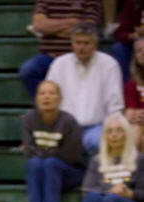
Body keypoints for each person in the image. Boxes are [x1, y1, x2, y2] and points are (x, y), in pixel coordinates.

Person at [46, 24, 124, 154]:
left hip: (98, 126)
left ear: (95, 44)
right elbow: (49, 98)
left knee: (96, 142)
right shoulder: (59, 64)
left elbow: (115, 104)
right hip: (66, 126)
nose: (81, 47)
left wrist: (113, 129)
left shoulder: (109, 65)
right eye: (78, 43)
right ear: (72, 44)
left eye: (86, 43)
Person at [22, 79, 85, 202]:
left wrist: (42, 153)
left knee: (50, 163)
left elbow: (69, 156)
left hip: (70, 173)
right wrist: (50, 152)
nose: (47, 97)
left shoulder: (69, 121)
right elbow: (29, 151)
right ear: (36, 98)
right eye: (42, 93)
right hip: (43, 171)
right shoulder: (29, 119)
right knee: (33, 163)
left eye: (51, 93)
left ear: (59, 99)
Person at [18, 0, 102, 97]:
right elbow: (39, 25)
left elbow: (88, 29)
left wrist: (51, 28)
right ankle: (46, 105)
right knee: (28, 71)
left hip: (77, 57)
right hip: (49, 56)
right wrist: (71, 23)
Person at [111, 0, 144, 81]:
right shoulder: (132, 3)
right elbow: (119, 33)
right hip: (135, 43)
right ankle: (130, 83)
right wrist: (132, 36)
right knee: (118, 48)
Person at [124, 36, 144, 150]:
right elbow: (129, 114)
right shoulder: (131, 84)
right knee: (136, 129)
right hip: (139, 126)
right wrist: (135, 115)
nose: (143, 53)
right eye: (139, 51)